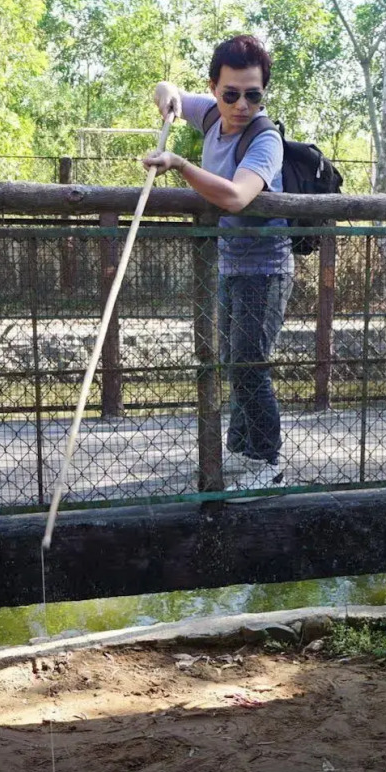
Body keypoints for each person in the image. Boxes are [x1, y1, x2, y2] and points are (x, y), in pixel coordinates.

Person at [145, 35, 292, 492]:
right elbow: (164, 89)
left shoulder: (265, 138)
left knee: (248, 363)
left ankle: (267, 460)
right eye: (231, 94)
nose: (242, 104)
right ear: (214, 89)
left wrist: (180, 165)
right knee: (233, 362)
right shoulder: (210, 115)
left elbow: (236, 196)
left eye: (253, 94)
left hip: (266, 268)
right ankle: (240, 453)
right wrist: (166, 96)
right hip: (230, 264)